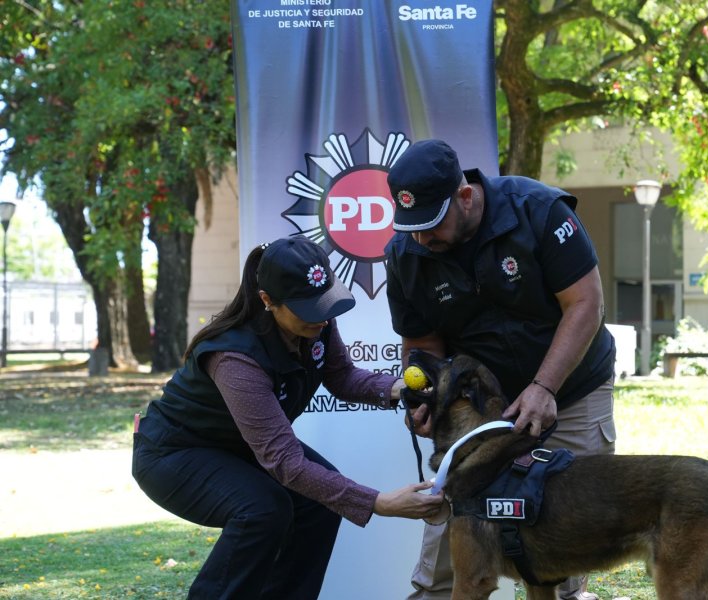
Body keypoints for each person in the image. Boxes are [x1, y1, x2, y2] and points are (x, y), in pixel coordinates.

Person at [132, 235, 444, 599]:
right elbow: (284, 462)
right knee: (262, 510)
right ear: (267, 301)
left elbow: (342, 377)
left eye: (325, 304)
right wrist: (379, 502)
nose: (323, 318)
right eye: (309, 309)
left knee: (319, 503)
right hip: (175, 454)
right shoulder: (235, 358)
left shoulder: (316, 321)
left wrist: (402, 391)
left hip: (240, 447)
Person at [385, 139, 617, 600]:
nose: (421, 238)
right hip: (479, 409)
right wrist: (427, 398)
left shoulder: (539, 212)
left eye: (432, 224)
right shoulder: (407, 255)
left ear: (465, 197)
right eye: (412, 226)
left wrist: (545, 386)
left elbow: (585, 304)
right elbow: (423, 345)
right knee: (454, 539)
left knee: (562, 535)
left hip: (570, 389)